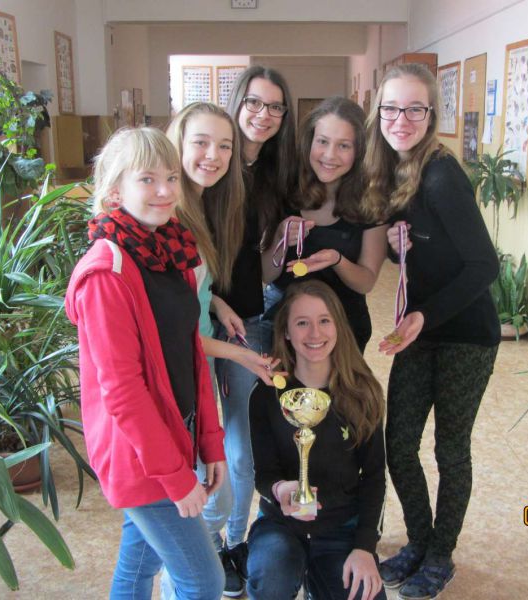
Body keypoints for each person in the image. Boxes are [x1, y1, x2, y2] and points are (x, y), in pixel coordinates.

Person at [64, 127, 226, 600]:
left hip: (176, 435)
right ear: (115, 191)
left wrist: (210, 443)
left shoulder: (168, 251)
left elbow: (190, 355)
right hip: (143, 457)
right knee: (203, 581)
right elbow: (124, 392)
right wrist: (175, 476)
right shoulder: (105, 272)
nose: (165, 191)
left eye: (171, 177)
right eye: (147, 179)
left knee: (139, 567)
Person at [362, 63, 500, 600]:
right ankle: (419, 541)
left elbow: (483, 265)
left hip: (466, 335)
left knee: (450, 450)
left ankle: (441, 554)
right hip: (424, 328)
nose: (401, 119)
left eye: (414, 109)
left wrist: (422, 317)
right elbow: (430, 249)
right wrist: (402, 250)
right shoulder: (397, 169)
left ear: (431, 115)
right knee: (399, 444)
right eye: (391, 108)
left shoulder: (441, 175)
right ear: (379, 112)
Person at [166, 101, 279, 578]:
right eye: (201, 143)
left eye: (225, 146)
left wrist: (216, 303)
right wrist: (242, 355)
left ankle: (218, 552)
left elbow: (190, 288)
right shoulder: (168, 213)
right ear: (177, 143)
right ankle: (204, 556)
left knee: (223, 469)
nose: (213, 155)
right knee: (210, 494)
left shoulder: (201, 203)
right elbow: (175, 332)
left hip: (203, 353)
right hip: (181, 370)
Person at [209, 65, 299, 596]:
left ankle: (233, 546)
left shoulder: (271, 175)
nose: (264, 115)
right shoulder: (211, 166)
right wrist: (213, 299)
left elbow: (260, 265)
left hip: (250, 319)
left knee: (241, 449)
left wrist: (284, 250)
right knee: (210, 443)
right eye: (255, 103)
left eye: (275, 107)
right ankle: (206, 545)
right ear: (238, 101)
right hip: (205, 317)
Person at [246, 280, 386, 600]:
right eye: (302, 323)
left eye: (324, 320)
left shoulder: (362, 392)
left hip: (342, 529)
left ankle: (319, 581)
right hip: (281, 525)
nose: (315, 333)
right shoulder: (267, 393)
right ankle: (262, 559)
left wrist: (365, 548)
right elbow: (263, 474)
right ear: (285, 331)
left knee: (364, 593)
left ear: (338, 326)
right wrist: (281, 490)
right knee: (271, 579)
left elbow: (375, 475)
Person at [262, 96, 387, 352]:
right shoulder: (284, 191)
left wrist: (337, 260)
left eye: (344, 146)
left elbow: (366, 282)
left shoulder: (372, 202)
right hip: (286, 326)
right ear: (309, 142)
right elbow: (266, 275)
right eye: (322, 141)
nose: (330, 155)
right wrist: (279, 239)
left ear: (359, 151)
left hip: (345, 324)